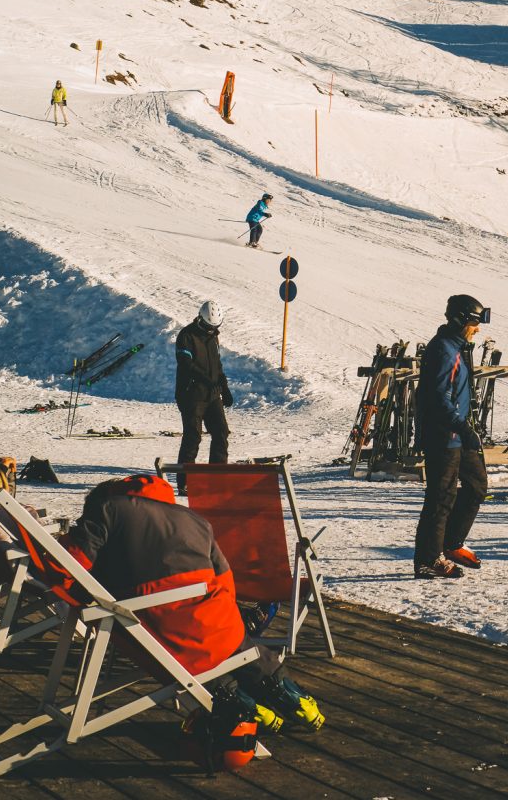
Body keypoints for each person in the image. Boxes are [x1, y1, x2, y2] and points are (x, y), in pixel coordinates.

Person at [58, 474, 323, 732]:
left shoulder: (107, 509)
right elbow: (224, 578)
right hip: (216, 621)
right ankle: (296, 700)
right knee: (238, 646)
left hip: (157, 629)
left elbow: (71, 563)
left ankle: (249, 711)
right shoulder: (195, 520)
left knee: (193, 661)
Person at [413, 293, 490, 581]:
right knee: (441, 498)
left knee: (476, 485)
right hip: (443, 435)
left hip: (457, 432)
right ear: (459, 321)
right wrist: (463, 427)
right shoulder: (445, 350)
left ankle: (452, 542)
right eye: (474, 322)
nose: (477, 329)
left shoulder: (456, 347)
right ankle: (428, 559)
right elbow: (438, 398)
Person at [176, 300, 233, 493]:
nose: (211, 330)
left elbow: (217, 366)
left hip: (212, 395)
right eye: (209, 326)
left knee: (221, 432)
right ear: (201, 319)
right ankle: (185, 482)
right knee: (193, 436)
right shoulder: (187, 335)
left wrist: (224, 388)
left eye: (215, 327)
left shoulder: (213, 338)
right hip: (191, 394)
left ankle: (217, 478)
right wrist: (207, 381)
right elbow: (186, 364)